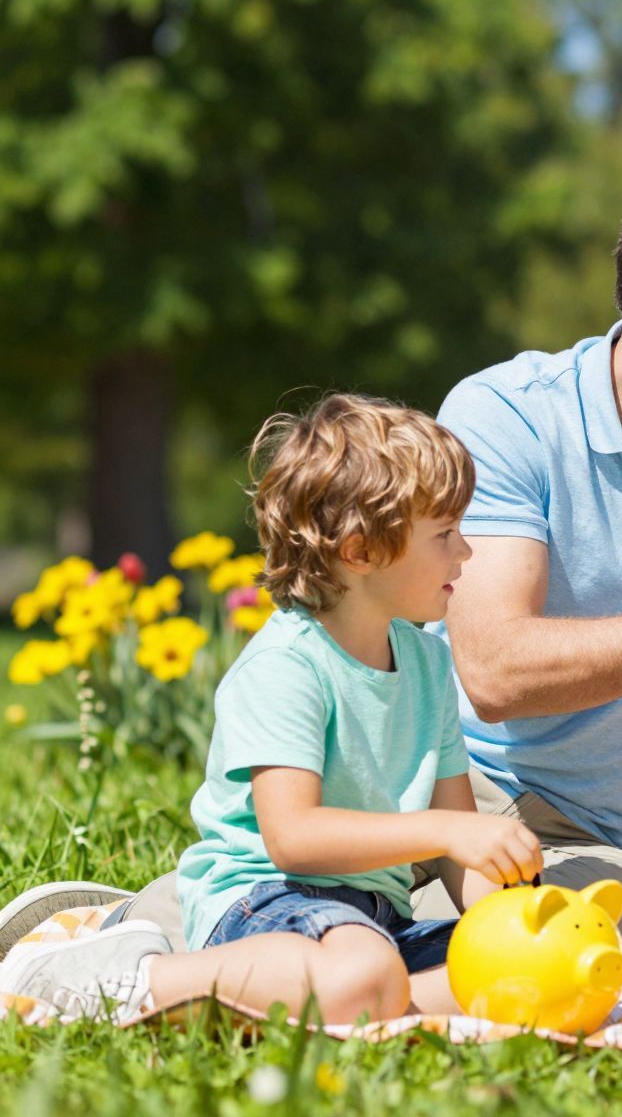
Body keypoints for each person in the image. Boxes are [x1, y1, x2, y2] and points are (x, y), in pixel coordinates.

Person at [72, 156, 622, 972]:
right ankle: (162, 936)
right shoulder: (509, 415)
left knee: (596, 951)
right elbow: (491, 670)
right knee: (463, 942)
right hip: (418, 782)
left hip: (575, 833)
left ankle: (245, 937)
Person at [0, 396, 541, 1022]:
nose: (465, 553)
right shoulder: (288, 664)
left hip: (373, 922)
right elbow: (294, 838)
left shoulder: (425, 665)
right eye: (445, 534)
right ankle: (122, 978)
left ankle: (369, 1002)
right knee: (366, 970)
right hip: (264, 901)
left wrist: (510, 918)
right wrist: (450, 832)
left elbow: (456, 850)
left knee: (526, 967)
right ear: (361, 550)